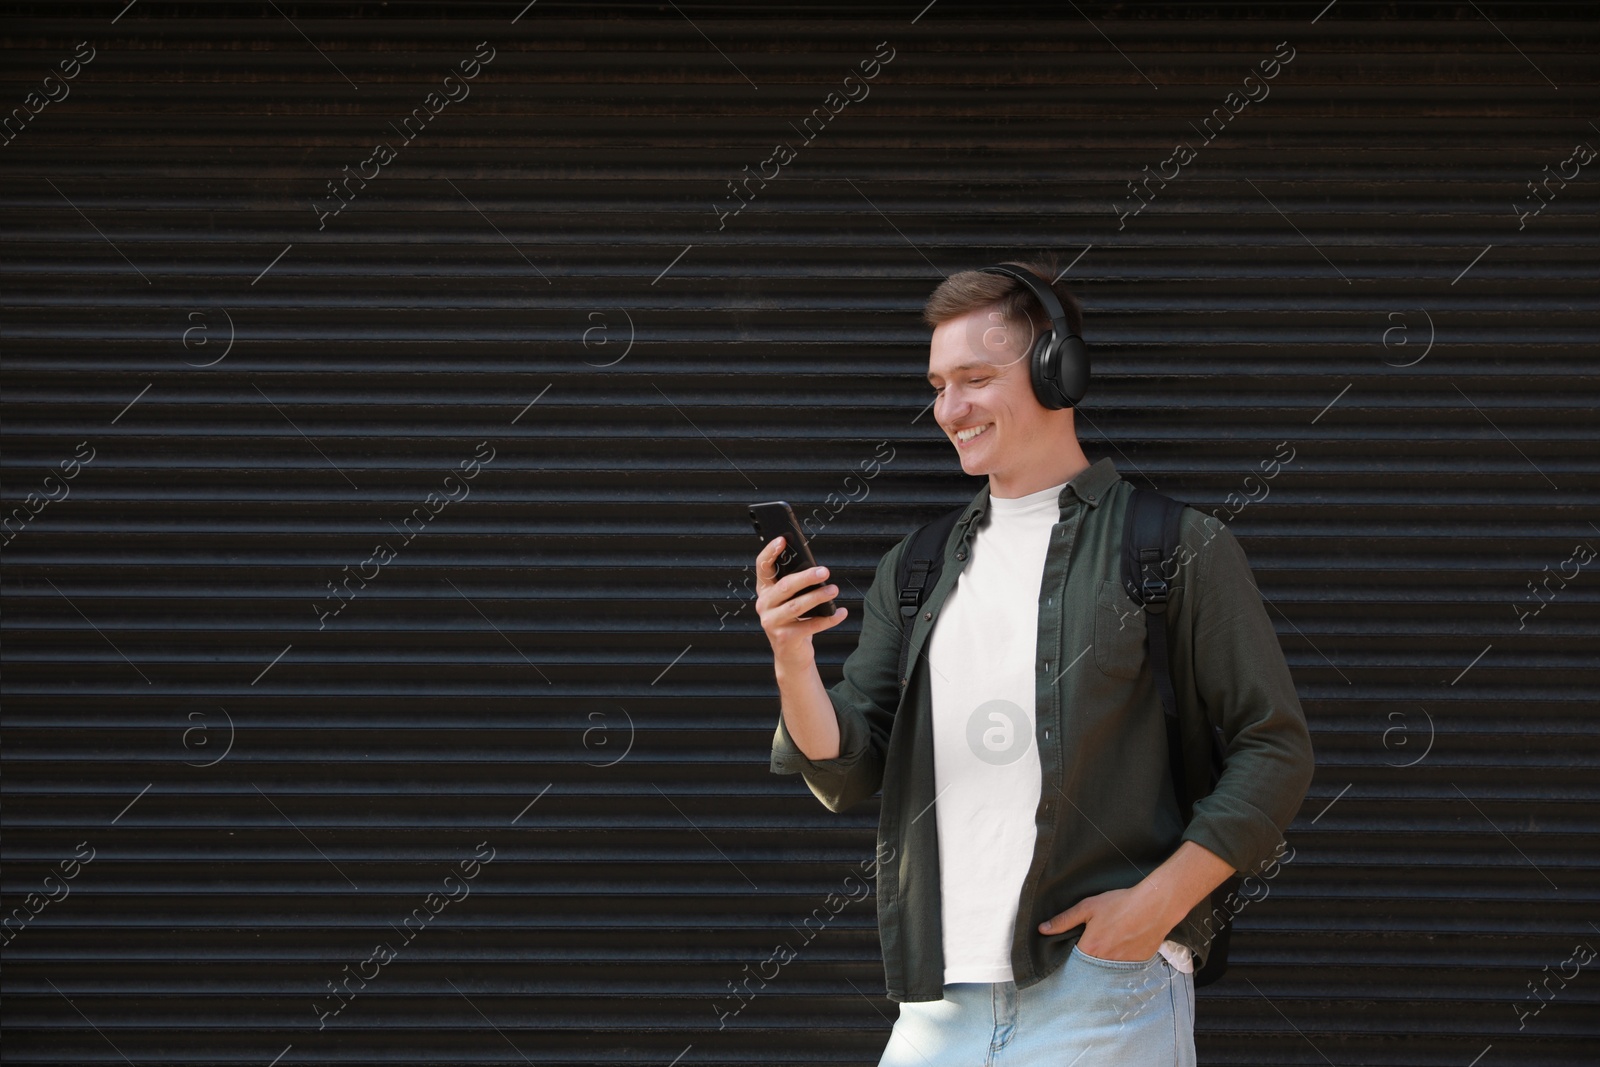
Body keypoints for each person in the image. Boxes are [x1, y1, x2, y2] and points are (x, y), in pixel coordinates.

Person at [757, 258, 1315, 1065]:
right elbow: (845, 769)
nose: (950, 408)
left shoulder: (1176, 547)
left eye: (976, 378)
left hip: (1102, 994)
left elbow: (1276, 747)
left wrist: (1153, 910)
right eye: (938, 384)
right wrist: (791, 658)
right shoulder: (914, 567)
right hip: (935, 1006)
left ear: (1060, 372)